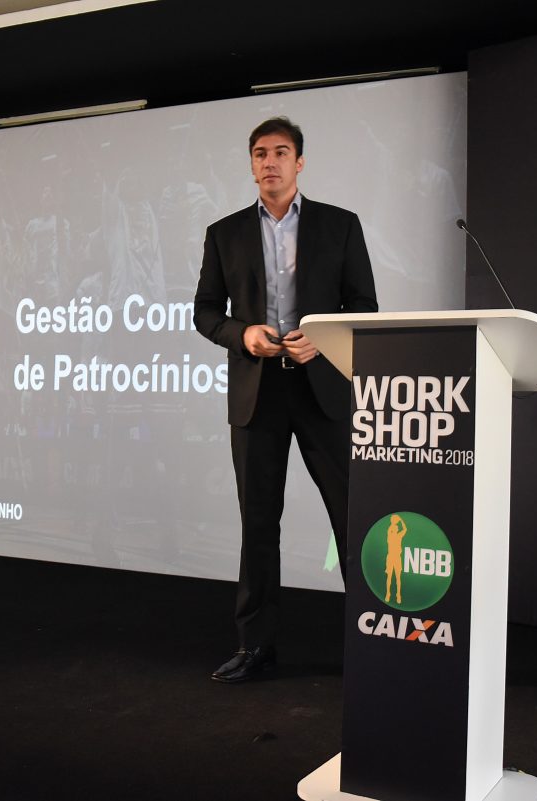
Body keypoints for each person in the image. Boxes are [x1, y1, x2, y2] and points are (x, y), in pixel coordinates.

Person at [193, 116, 378, 683]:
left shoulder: (340, 225)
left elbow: (364, 307)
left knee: (352, 516)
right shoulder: (224, 233)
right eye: (259, 153)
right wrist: (242, 335)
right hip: (258, 393)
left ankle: (375, 640)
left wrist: (321, 340)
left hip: (322, 389)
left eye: (280, 152)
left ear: (299, 162)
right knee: (258, 524)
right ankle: (255, 646)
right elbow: (205, 313)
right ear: (251, 165)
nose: (269, 161)